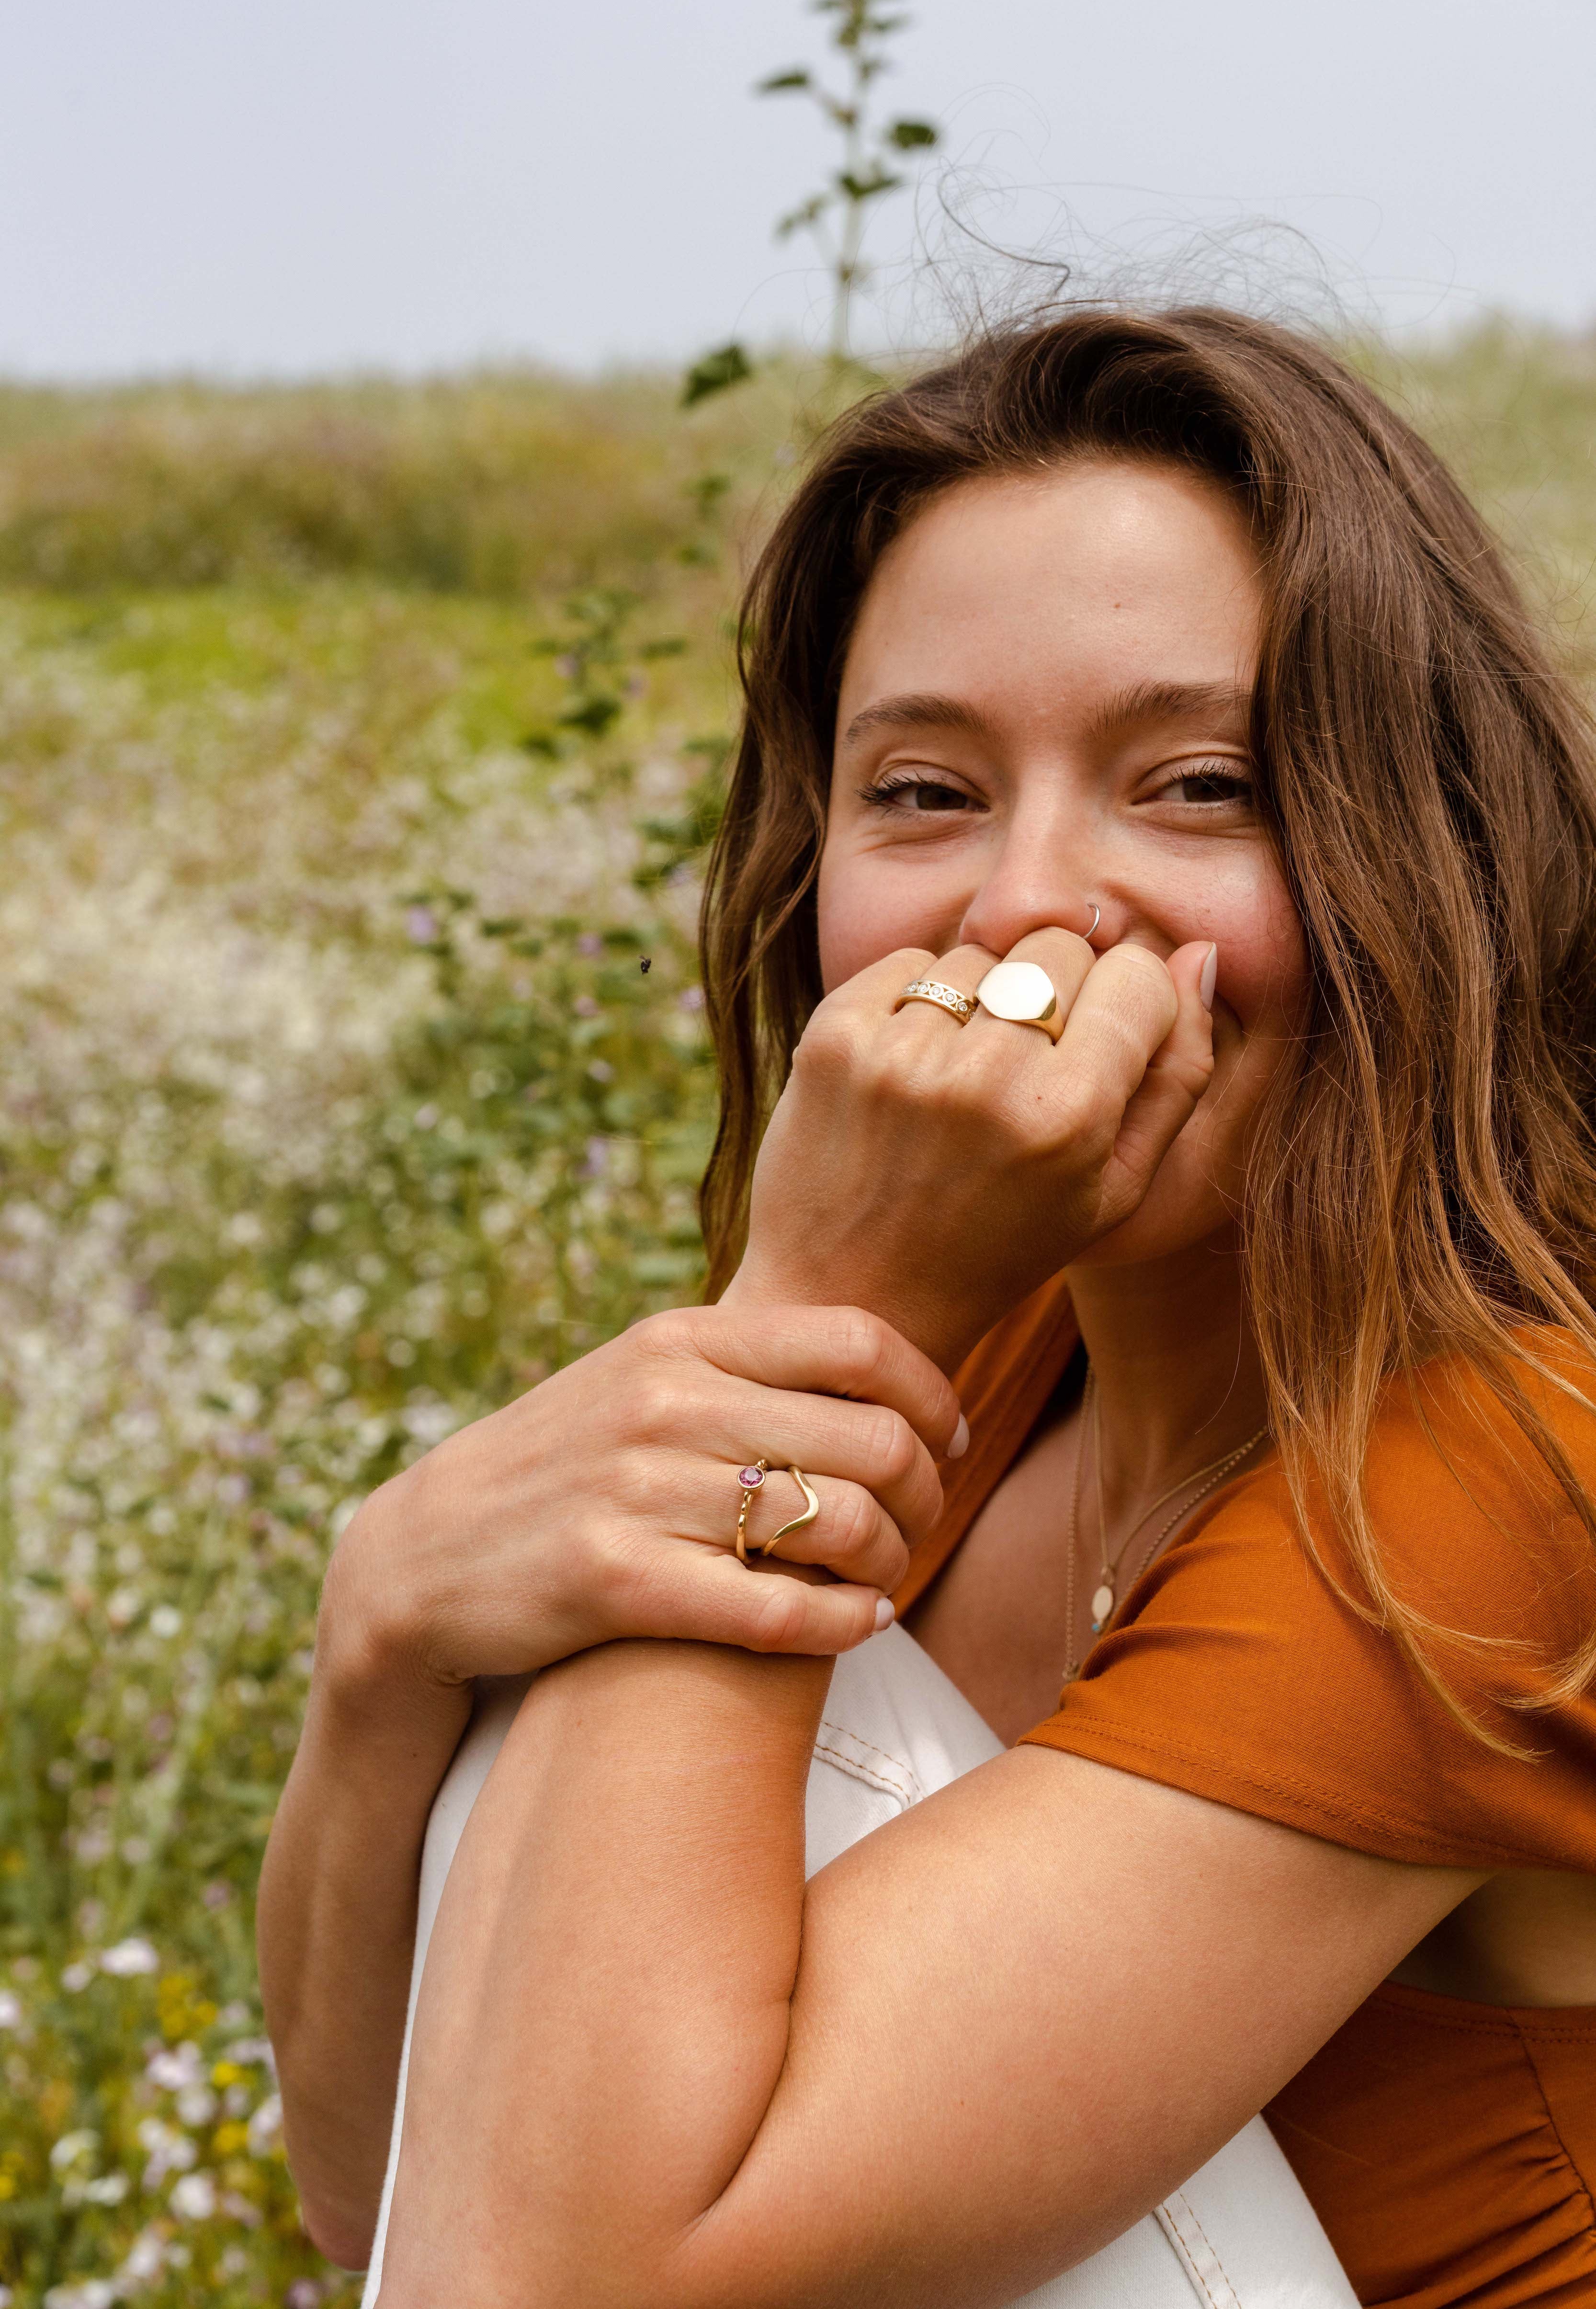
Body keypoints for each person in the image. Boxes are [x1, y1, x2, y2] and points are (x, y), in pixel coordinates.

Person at [258, 306, 1596, 2309]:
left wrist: (822, 1285)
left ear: (1430, 855)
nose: (1030, 907)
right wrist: (379, 1641)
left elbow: (552, 2267)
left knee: (667, 1564)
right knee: (617, 1574)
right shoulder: (993, 1348)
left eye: (1200, 781)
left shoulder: (1500, 1463)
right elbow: (388, 2207)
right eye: (925, 791)